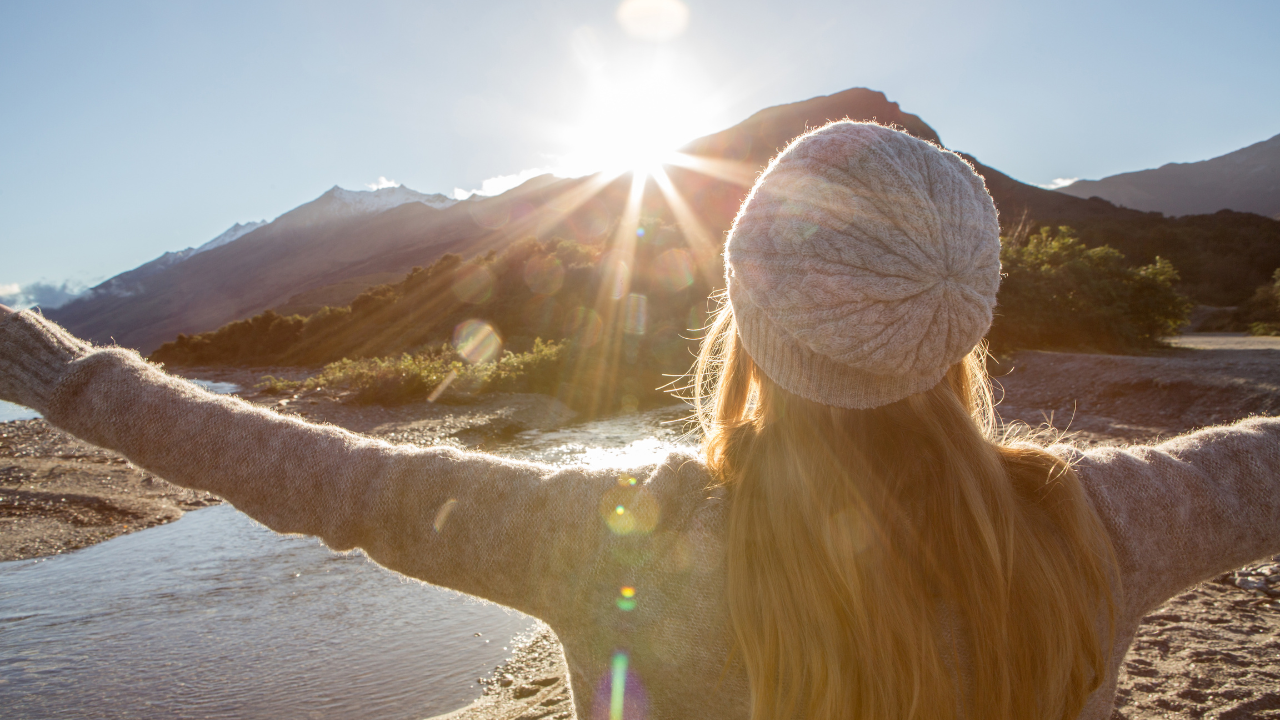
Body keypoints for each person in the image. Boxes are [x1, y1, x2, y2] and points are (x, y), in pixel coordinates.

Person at [1, 121, 1277, 720]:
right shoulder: (1106, 519)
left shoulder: (630, 542)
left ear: (743, 316)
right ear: (968, 320)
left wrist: (63, 376)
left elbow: (326, 478)